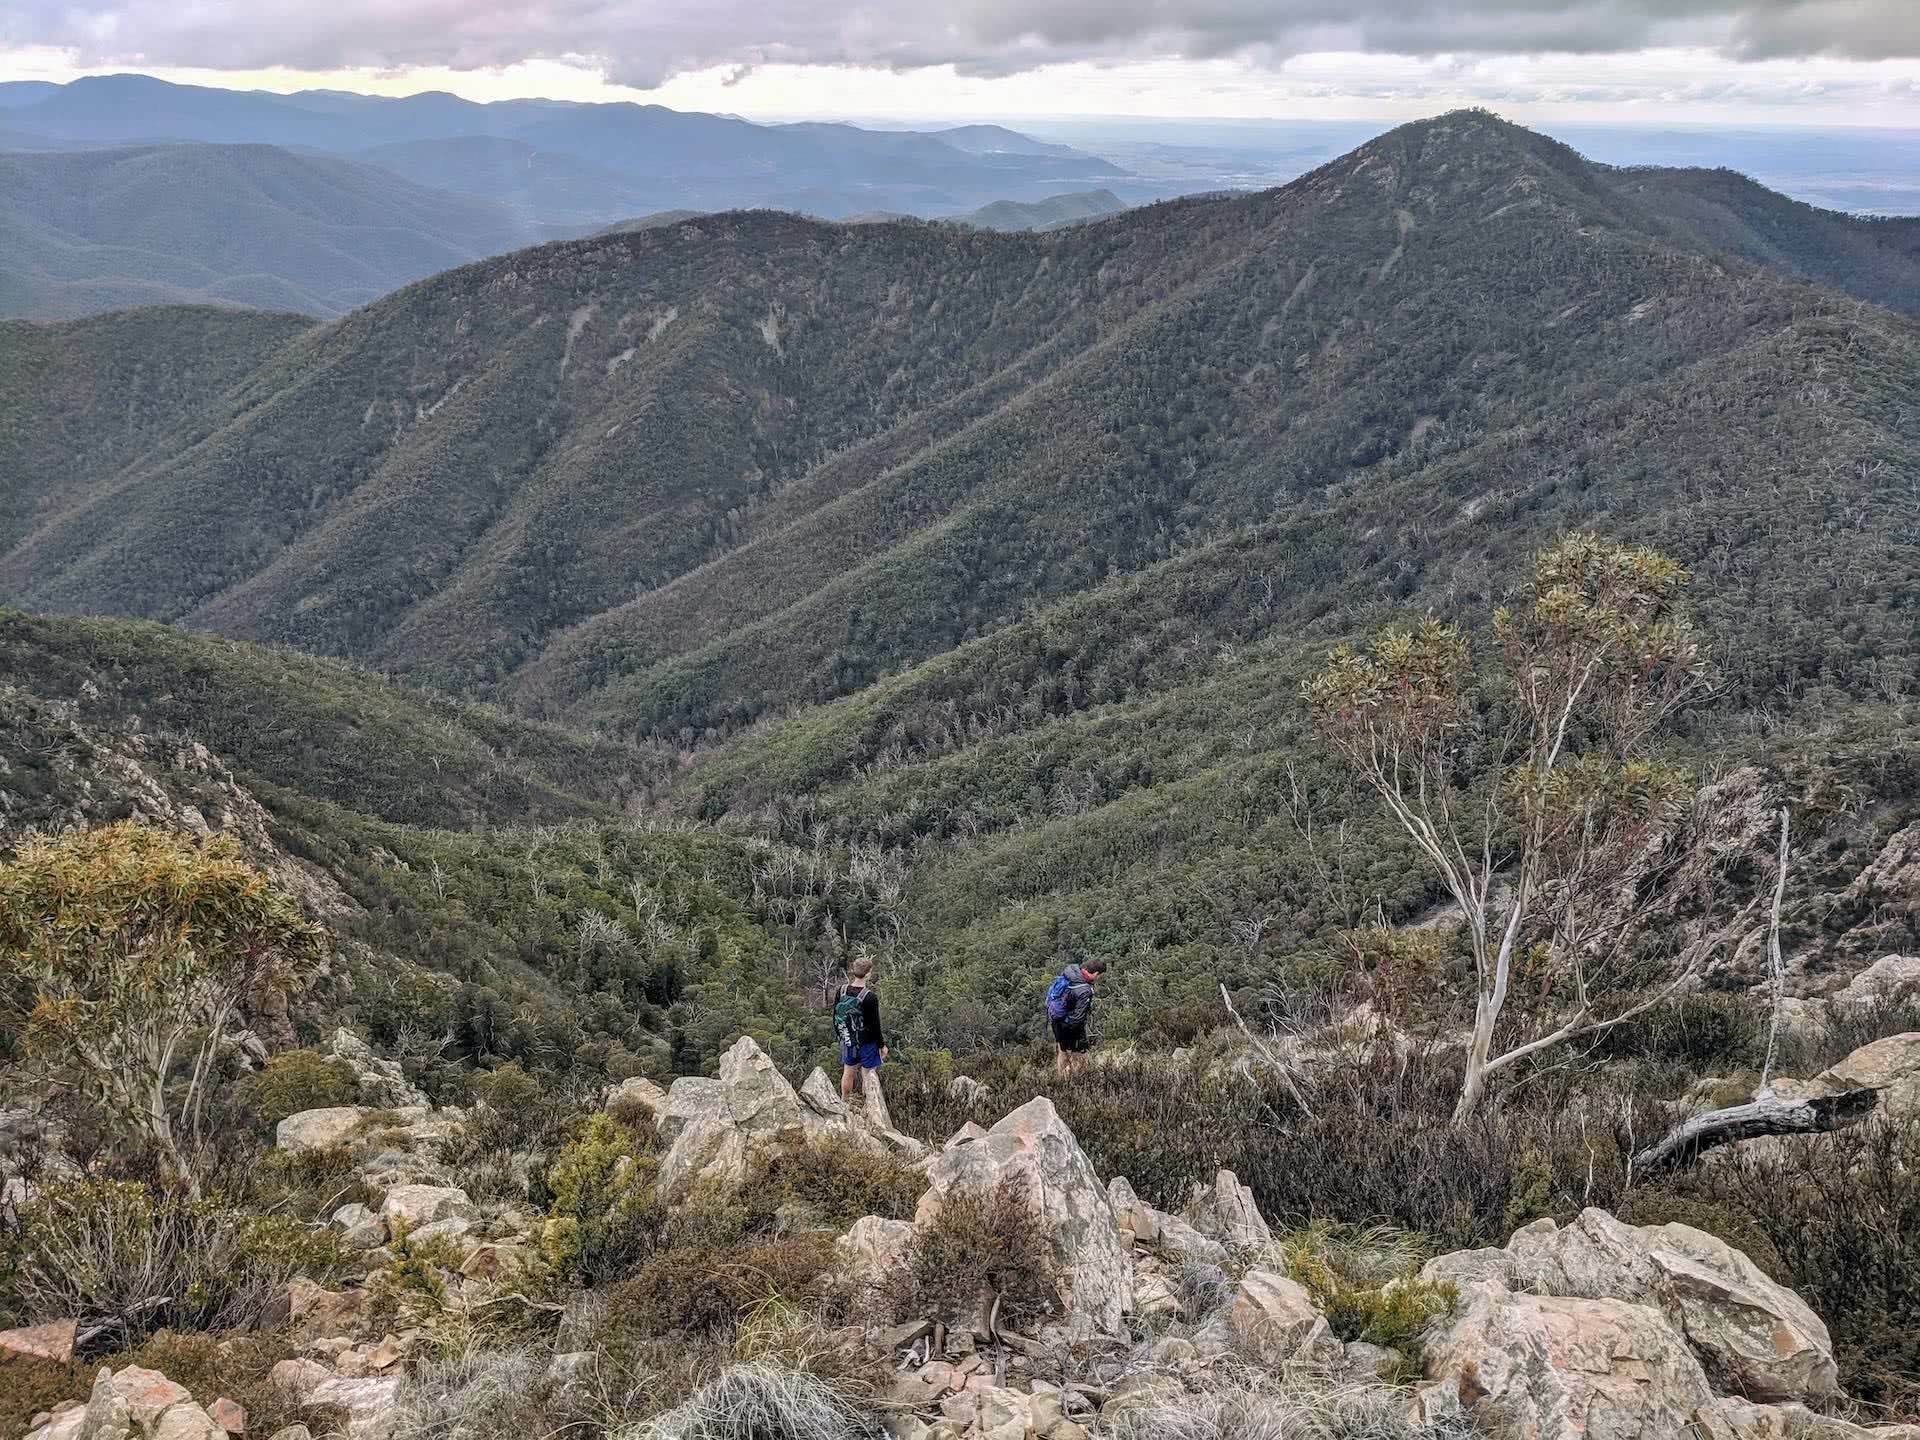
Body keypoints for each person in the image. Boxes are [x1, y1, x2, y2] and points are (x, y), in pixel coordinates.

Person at [833, 955, 889, 1107]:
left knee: (848, 1072)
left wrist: (842, 1036)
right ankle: (869, 1106)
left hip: (848, 1039)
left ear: (853, 970)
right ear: (869, 973)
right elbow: (875, 1025)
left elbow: (835, 1016)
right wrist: (882, 1045)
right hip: (867, 1042)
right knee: (868, 1075)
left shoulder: (841, 991)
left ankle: (844, 1102)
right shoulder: (869, 997)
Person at [1047, 956, 1107, 1075]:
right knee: (1080, 1055)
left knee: (1062, 1050)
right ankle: (1079, 1080)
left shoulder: (1070, 972)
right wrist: (1076, 1036)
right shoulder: (1084, 990)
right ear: (1096, 974)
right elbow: (1078, 1018)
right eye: (1099, 976)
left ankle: (1061, 1078)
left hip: (1056, 1019)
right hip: (1071, 1024)